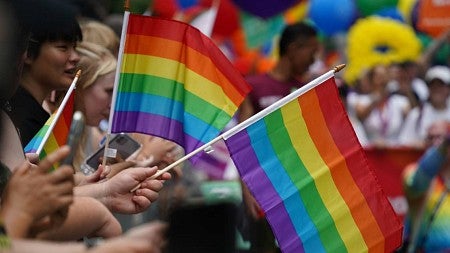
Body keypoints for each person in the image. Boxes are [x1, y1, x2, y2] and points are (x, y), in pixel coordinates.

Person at [238, 21, 320, 253]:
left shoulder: (307, 89)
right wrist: (247, 190)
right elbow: (243, 142)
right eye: (311, 52)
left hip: (299, 189)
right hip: (263, 186)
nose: (314, 60)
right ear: (294, 49)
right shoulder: (253, 87)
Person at [402, 120, 450, 252]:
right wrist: (443, 146)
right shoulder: (412, 172)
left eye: (439, 137)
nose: (435, 143)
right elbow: (419, 182)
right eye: (430, 138)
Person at [354, 64, 411, 147]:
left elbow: (414, 117)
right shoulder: (362, 101)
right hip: (371, 152)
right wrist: (375, 100)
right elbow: (360, 115)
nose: (381, 79)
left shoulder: (401, 101)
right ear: (371, 80)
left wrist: (406, 87)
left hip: (396, 153)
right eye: (378, 76)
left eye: (384, 75)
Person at [399, 66, 450, 148]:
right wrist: (418, 144)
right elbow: (403, 142)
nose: (437, 89)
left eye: (441, 86)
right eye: (433, 86)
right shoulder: (417, 114)